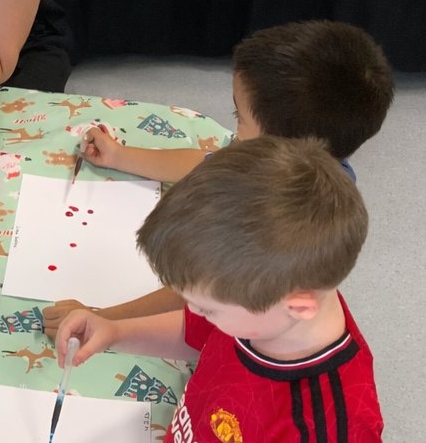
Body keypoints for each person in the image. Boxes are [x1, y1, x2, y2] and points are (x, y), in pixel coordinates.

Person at [43, 20, 394, 335]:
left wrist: (107, 317)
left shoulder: (277, 223)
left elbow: (199, 291)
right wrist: (121, 156)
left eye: (238, 117)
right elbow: (210, 162)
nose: (232, 128)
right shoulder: (298, 162)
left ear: (280, 146)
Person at [55, 137, 383, 442]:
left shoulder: (331, 424)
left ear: (298, 305)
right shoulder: (270, 307)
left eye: (209, 309)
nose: (195, 311)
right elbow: (196, 331)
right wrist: (114, 332)